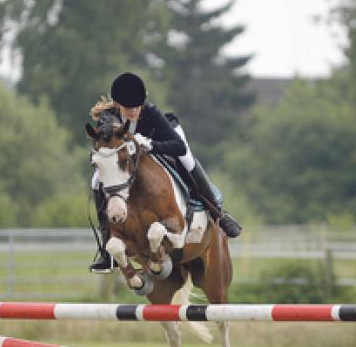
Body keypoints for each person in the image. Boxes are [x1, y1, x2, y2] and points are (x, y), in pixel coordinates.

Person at [88, 72, 242, 273]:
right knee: (95, 181)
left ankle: (218, 213)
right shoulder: (107, 119)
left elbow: (178, 146)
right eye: (128, 108)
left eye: (137, 106)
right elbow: (103, 146)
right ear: (117, 104)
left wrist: (150, 144)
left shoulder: (151, 113)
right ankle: (106, 247)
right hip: (128, 157)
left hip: (163, 140)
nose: (134, 111)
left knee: (187, 160)